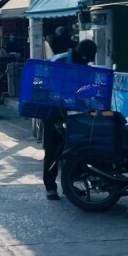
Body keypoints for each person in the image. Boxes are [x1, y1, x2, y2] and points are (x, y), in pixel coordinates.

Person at [42, 38, 98, 201]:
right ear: (84, 55)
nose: (90, 61)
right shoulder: (59, 61)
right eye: (90, 57)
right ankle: (51, 187)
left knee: (73, 151)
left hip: (74, 113)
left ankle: (69, 186)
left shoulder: (84, 67)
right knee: (53, 151)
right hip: (53, 112)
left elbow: (86, 90)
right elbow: (46, 85)